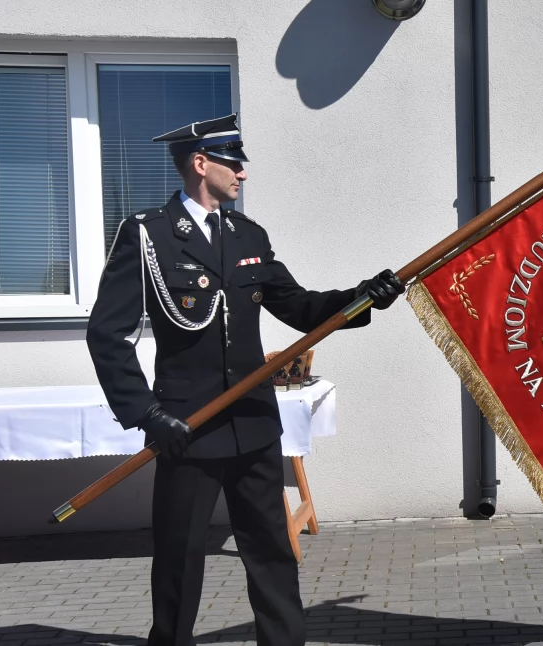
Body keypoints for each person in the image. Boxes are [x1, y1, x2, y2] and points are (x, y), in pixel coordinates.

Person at [86, 113, 404, 646]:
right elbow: (107, 334)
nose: (243, 174)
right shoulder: (149, 236)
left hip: (254, 424)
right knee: (180, 559)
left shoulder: (247, 235)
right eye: (233, 163)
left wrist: (361, 297)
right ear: (200, 163)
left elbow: (299, 307)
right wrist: (145, 414)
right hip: (188, 427)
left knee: (272, 551)